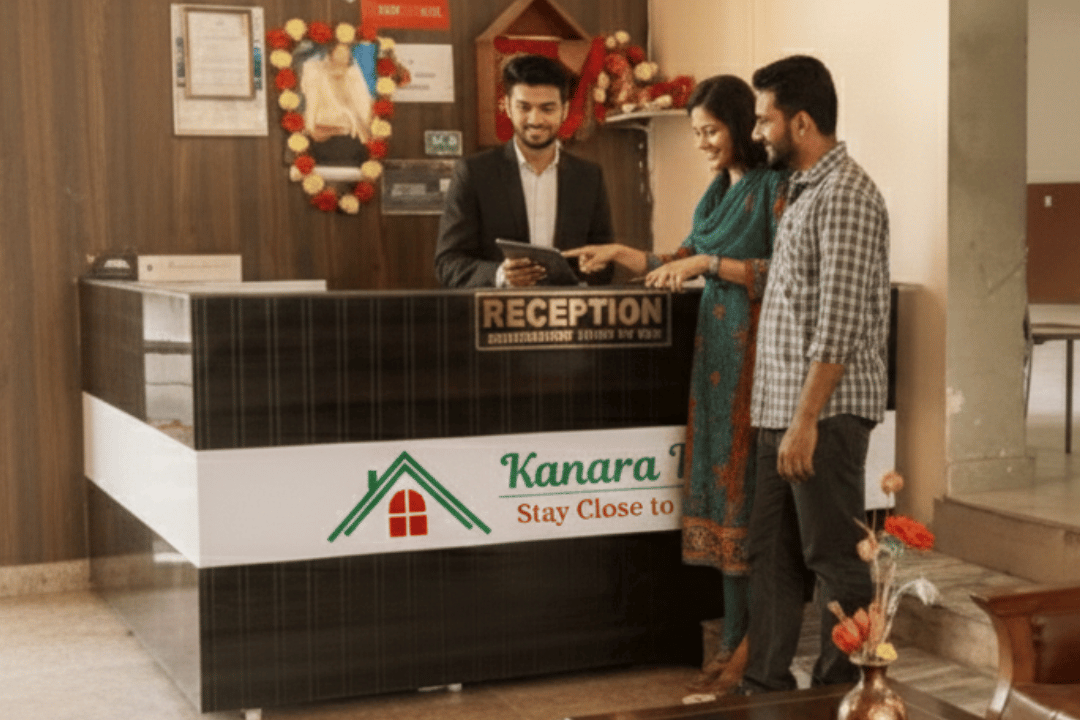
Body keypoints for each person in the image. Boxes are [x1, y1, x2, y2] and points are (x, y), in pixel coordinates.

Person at [565, 75, 787, 693]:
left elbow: (783, 272)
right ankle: (732, 639)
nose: (702, 143)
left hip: (756, 362)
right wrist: (619, 252)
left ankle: (746, 647)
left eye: (710, 131)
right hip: (713, 362)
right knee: (718, 496)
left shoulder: (774, 188)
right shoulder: (717, 194)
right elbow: (675, 260)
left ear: (740, 126)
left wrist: (708, 264)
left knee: (743, 499)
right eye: (695, 133)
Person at [738, 55, 890, 694]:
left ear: (800, 123)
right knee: (770, 556)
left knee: (835, 560)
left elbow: (839, 324)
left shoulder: (847, 195)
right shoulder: (804, 190)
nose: (756, 133)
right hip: (782, 412)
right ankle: (765, 689)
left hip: (822, 415)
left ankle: (841, 694)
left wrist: (805, 422)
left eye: (763, 120)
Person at [434, 54, 614, 288]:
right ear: (508, 107)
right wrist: (500, 275)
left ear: (565, 110)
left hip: (568, 310)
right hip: (498, 309)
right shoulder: (474, 173)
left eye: (547, 108)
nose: (535, 120)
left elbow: (606, 264)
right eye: (524, 107)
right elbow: (448, 264)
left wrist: (594, 268)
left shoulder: (588, 177)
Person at [300, 42, 373, 165]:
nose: (343, 57)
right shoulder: (314, 70)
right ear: (330, 54)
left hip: (348, 136)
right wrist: (311, 128)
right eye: (339, 52)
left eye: (346, 53)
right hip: (320, 134)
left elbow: (363, 109)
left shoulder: (353, 74)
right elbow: (311, 104)